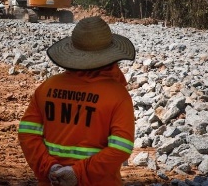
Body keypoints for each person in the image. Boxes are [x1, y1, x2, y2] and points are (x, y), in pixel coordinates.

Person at [18, 16, 136, 186]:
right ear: (111, 57)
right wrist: (77, 173)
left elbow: (27, 133)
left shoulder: (47, 87)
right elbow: (121, 148)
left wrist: (50, 168)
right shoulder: (118, 95)